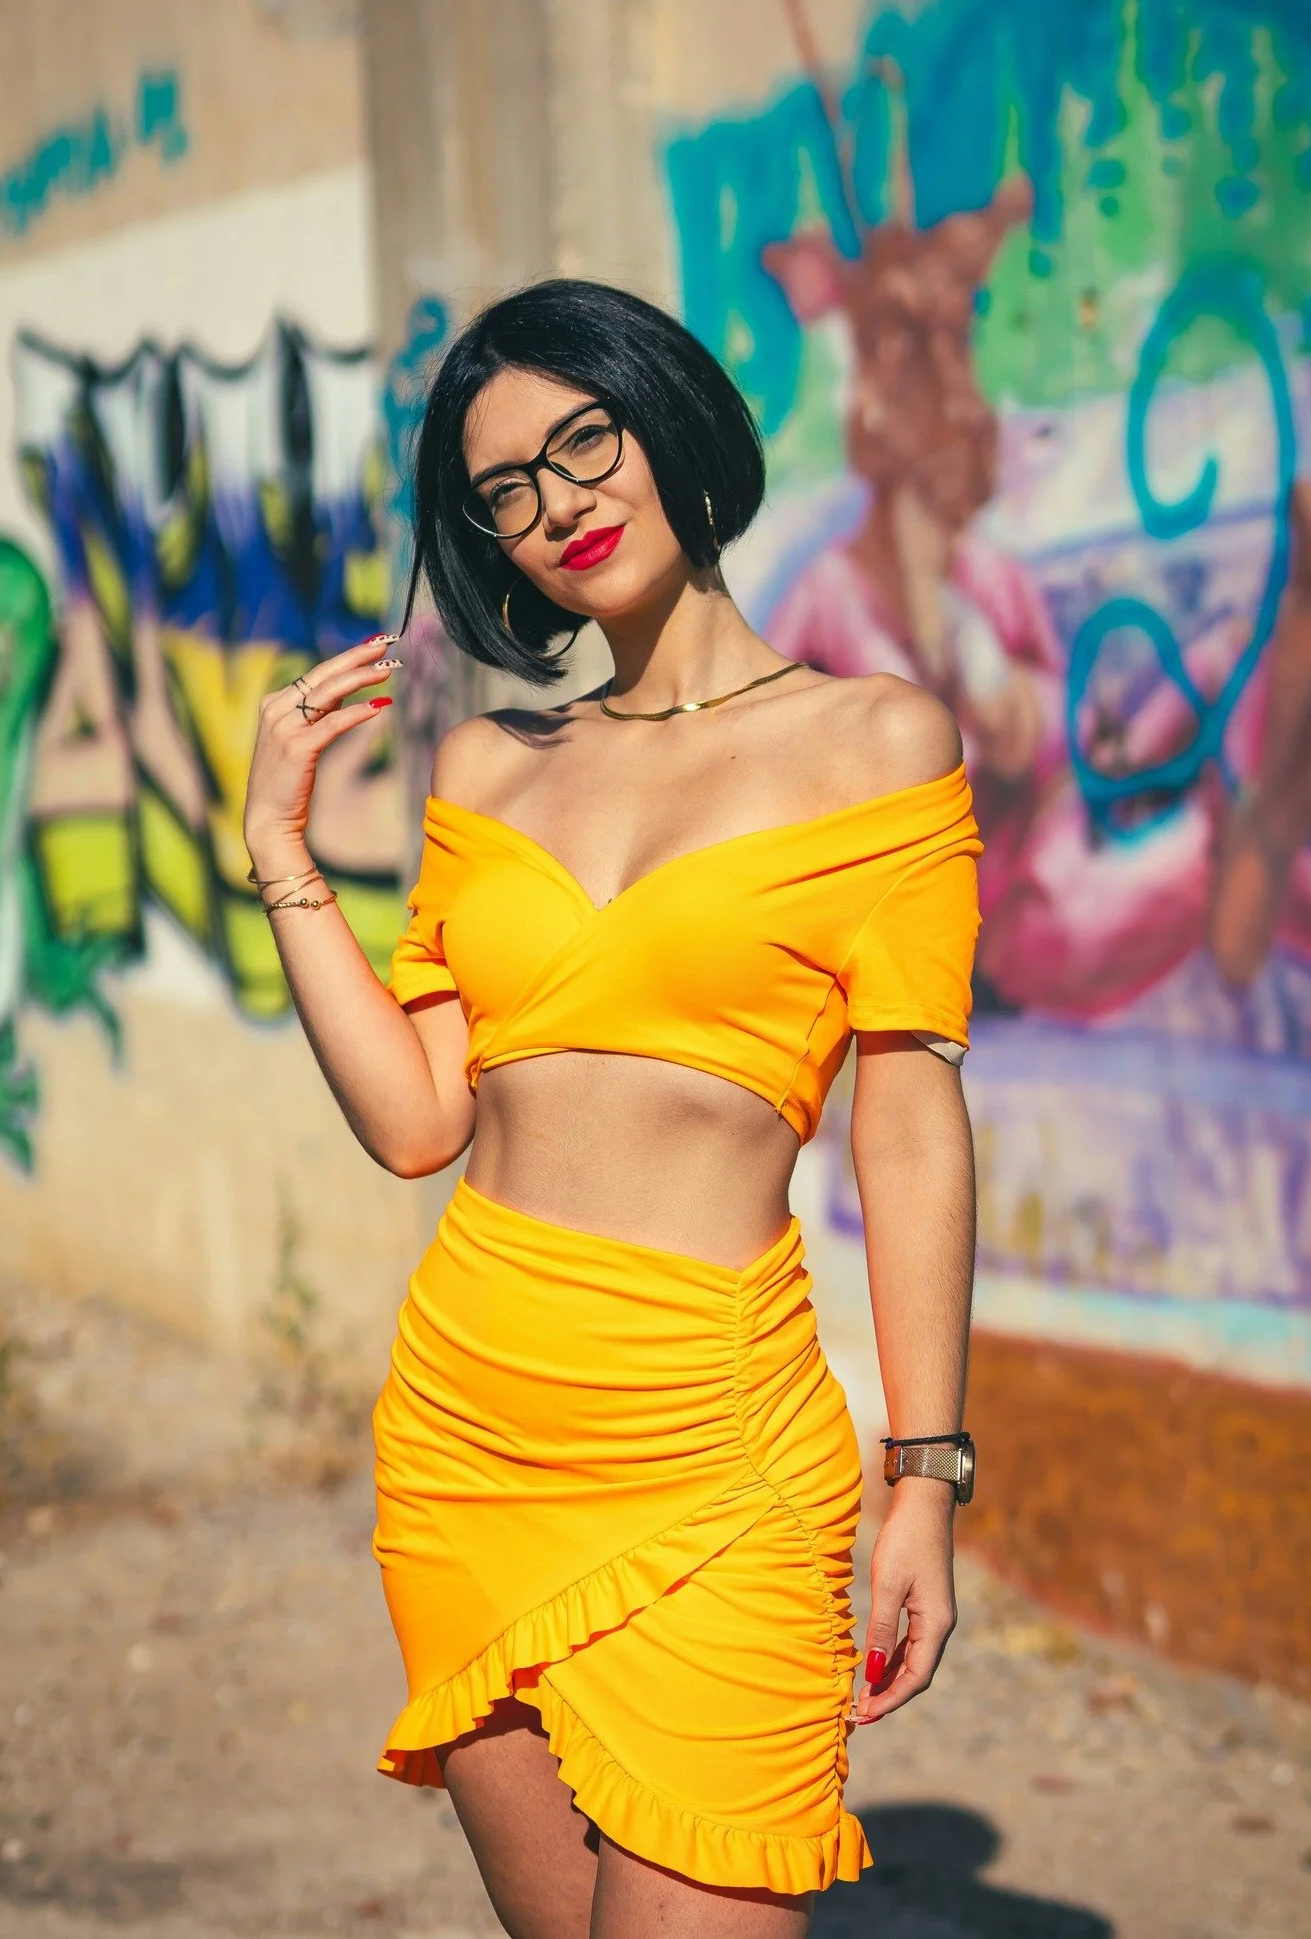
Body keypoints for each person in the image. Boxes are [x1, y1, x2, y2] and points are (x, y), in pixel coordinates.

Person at [243, 280, 981, 1938]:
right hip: (466, 1437)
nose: (557, 500)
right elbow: (422, 1116)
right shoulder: (487, 767)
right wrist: (283, 855)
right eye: (505, 487)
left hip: (718, 1457)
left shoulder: (878, 743)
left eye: (586, 437)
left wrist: (924, 1471)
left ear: (671, 421)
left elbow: (910, 1123)